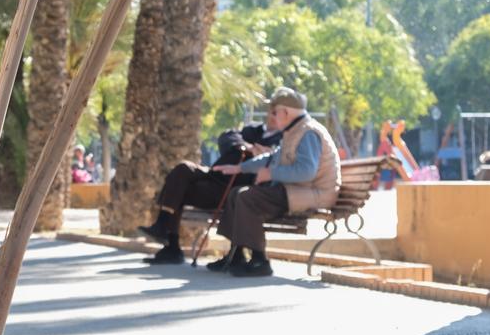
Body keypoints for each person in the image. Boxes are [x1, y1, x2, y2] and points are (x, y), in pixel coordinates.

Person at [210, 88, 341, 277]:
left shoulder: (308, 133)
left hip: (314, 194)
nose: (271, 116)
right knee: (236, 193)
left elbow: (307, 171)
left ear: (286, 112)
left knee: (248, 197)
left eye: (274, 112)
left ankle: (259, 261)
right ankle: (235, 254)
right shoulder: (294, 130)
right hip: (299, 191)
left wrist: (271, 174)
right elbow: (272, 158)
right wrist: (240, 168)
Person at [137, 101, 286, 264]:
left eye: (276, 113)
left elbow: (272, 160)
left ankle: (172, 243)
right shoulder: (252, 129)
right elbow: (228, 136)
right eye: (271, 112)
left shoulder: (282, 139)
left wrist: (261, 153)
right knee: (182, 170)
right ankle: (164, 228)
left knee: (182, 189)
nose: (272, 116)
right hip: (215, 173)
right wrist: (246, 147)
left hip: (232, 186)